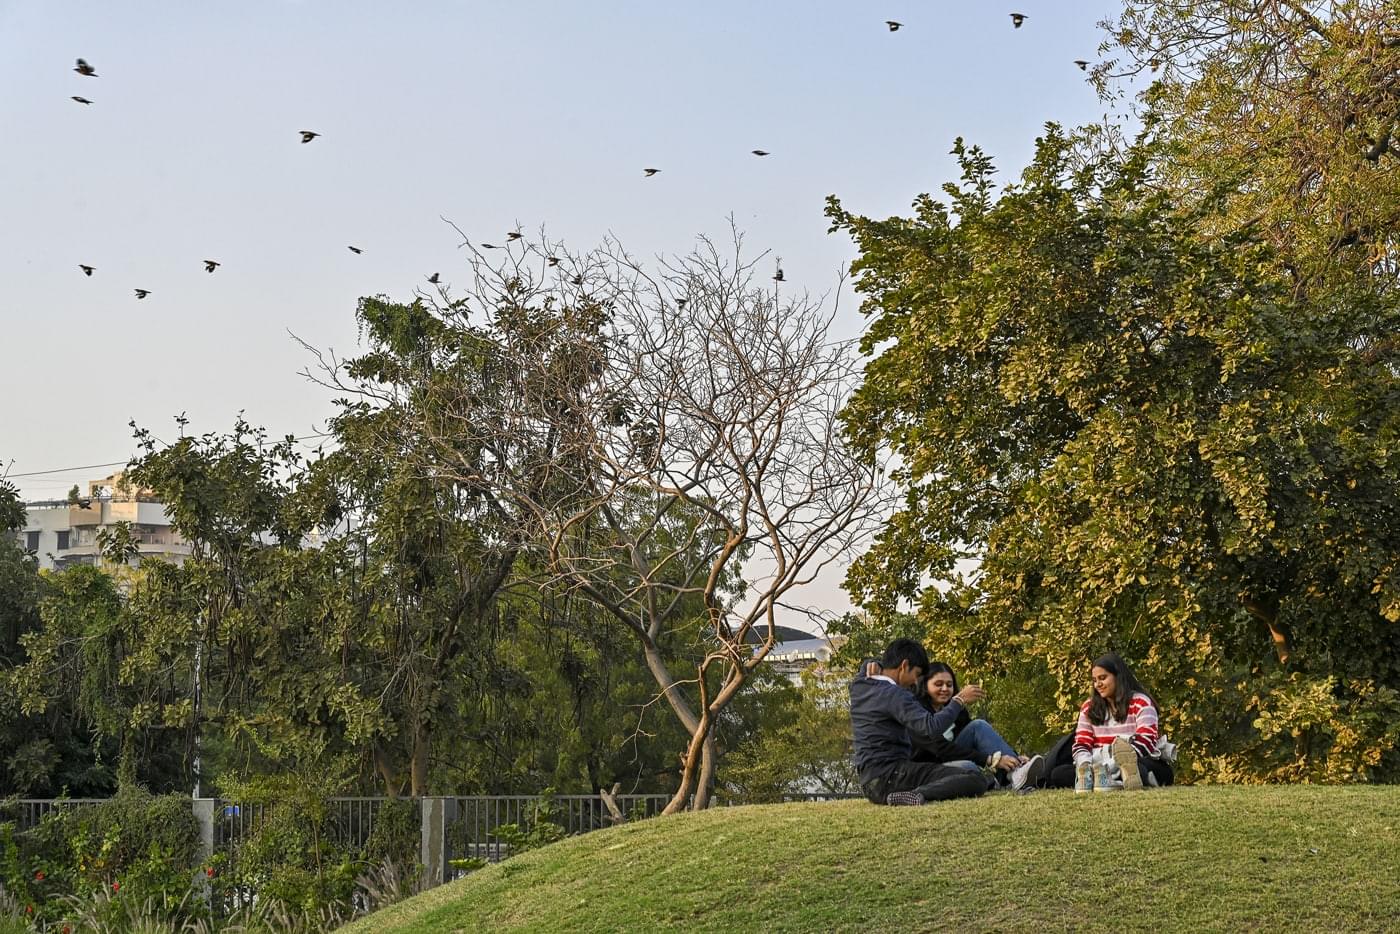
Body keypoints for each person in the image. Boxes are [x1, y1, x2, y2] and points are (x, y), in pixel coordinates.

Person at [849, 638, 989, 806]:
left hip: (870, 783)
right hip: (892, 776)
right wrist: (959, 700)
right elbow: (931, 728)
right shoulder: (896, 695)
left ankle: (909, 794)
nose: (916, 682)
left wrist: (871, 663)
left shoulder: (859, 685)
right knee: (974, 778)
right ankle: (916, 794)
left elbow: (867, 669)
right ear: (904, 666)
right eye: (916, 674)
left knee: (967, 775)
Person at [911, 662, 1046, 792]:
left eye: (949, 684)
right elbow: (940, 748)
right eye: (938, 684)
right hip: (930, 767)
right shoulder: (918, 711)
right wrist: (990, 760)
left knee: (978, 725)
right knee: (969, 768)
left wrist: (1013, 757)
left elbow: (978, 740)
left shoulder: (956, 709)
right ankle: (1002, 779)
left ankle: (1016, 771)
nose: (945, 689)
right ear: (925, 686)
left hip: (952, 759)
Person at [1058, 652, 1174, 792]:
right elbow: (1082, 743)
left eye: (1103, 678)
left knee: (1145, 769)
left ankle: (1111, 780)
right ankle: (1102, 780)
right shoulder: (1089, 708)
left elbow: (1146, 742)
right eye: (1094, 680)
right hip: (1098, 763)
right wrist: (1085, 765)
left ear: (1117, 677)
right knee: (1059, 773)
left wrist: (1113, 764)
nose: (1098, 684)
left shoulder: (1141, 702)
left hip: (1134, 759)